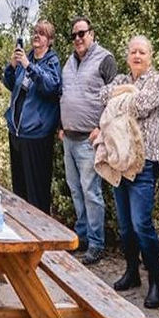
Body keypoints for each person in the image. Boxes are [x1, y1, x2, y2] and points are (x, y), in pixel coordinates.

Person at [98, 36, 159, 309]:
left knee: (142, 224)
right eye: (133, 51)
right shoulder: (120, 79)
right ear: (127, 56)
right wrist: (126, 92)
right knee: (125, 225)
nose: (137, 55)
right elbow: (102, 97)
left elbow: (141, 106)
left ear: (150, 56)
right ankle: (131, 273)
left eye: (142, 51)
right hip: (119, 159)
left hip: (144, 162)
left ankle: (155, 281)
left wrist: (121, 97)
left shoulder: (157, 81)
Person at [59, 16, 118, 264]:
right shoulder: (69, 62)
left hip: (88, 139)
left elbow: (115, 98)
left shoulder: (105, 59)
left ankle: (96, 243)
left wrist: (100, 128)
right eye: (74, 35)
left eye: (82, 33)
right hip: (68, 138)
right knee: (75, 190)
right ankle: (81, 236)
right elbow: (64, 95)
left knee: (91, 192)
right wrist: (61, 127)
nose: (78, 39)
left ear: (92, 33)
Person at [3, 20, 63, 214]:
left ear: (50, 40)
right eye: (35, 32)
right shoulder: (25, 58)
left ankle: (41, 236)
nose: (37, 35)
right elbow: (11, 84)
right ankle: (23, 233)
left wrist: (29, 66)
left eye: (42, 33)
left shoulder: (52, 62)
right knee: (19, 190)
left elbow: (51, 87)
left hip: (36, 135)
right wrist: (12, 66)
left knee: (37, 193)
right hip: (17, 133)